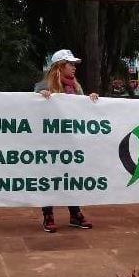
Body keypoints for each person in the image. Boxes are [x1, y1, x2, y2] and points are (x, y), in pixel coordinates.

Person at [35, 49, 98, 233]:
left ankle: (75, 213)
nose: (74, 68)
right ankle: (48, 214)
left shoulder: (76, 88)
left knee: (71, 176)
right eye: (70, 64)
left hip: (70, 142)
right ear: (60, 67)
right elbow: (32, 111)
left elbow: (81, 113)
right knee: (49, 177)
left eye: (74, 64)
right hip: (50, 143)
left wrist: (90, 100)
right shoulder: (42, 87)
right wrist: (40, 98)